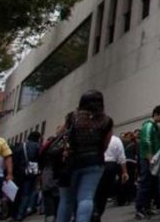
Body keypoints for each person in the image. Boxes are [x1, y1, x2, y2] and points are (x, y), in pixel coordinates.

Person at [58, 90, 115, 222]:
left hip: (71, 162)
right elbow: (105, 144)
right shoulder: (107, 121)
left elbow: (59, 134)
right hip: (95, 161)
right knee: (86, 197)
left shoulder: (72, 117)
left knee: (66, 199)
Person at [136, 105, 160, 220]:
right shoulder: (148, 125)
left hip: (153, 158)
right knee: (145, 183)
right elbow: (146, 142)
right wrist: (150, 158)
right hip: (148, 159)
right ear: (156, 114)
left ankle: (146, 207)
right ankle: (140, 208)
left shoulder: (155, 126)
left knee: (151, 184)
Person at [93, 129, 128, 221]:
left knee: (94, 191)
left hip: (97, 165)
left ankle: (94, 211)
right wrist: (124, 172)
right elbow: (121, 157)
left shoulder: (95, 139)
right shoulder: (116, 139)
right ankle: (98, 213)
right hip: (111, 166)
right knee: (104, 194)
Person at [12, 131, 43, 221]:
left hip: (19, 172)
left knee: (18, 192)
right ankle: (21, 214)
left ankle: (14, 214)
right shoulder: (38, 147)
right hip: (31, 172)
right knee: (27, 193)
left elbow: (15, 159)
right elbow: (40, 160)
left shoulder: (21, 145)